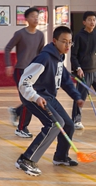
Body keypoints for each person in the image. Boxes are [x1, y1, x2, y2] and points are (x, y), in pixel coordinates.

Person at [14, 25, 85, 177]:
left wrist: (77, 96)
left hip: (49, 97)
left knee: (68, 124)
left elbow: (65, 80)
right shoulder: (45, 58)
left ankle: (60, 157)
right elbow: (23, 82)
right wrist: (36, 97)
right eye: (64, 41)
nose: (67, 45)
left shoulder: (59, 58)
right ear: (54, 41)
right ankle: (26, 159)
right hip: (34, 96)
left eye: (70, 42)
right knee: (54, 124)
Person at [5, 7, 45, 138]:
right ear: (26, 19)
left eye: (37, 16)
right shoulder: (20, 34)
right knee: (29, 99)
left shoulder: (40, 35)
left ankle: (16, 111)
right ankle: (21, 128)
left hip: (33, 72)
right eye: (33, 16)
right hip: (21, 70)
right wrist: (8, 65)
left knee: (32, 98)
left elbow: (41, 54)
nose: (35, 19)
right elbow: (7, 48)